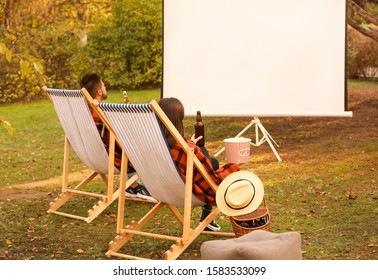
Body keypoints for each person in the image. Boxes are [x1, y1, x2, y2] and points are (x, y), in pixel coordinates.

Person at [158, 97, 240, 231]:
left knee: (207, 156)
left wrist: (191, 145)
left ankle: (208, 217)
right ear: (178, 120)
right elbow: (212, 179)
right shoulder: (182, 148)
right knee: (212, 162)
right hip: (184, 191)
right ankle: (207, 215)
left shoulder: (154, 142)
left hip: (161, 188)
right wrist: (233, 166)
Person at [79, 73, 151, 199]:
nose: (105, 87)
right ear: (100, 92)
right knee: (138, 148)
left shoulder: (81, 112)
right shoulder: (100, 114)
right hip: (111, 160)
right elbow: (118, 143)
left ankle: (132, 185)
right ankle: (134, 186)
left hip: (90, 157)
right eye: (104, 85)